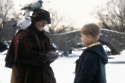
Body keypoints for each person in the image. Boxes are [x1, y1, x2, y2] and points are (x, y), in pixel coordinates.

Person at [5, 9, 59, 83]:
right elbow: (26, 54)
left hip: (41, 74)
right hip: (26, 75)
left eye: (45, 22)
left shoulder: (43, 35)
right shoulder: (24, 35)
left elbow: (50, 47)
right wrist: (45, 57)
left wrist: (52, 53)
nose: (43, 24)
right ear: (34, 21)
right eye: (41, 21)